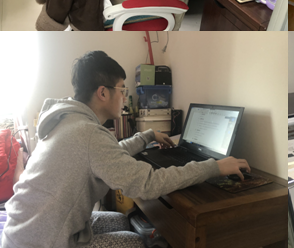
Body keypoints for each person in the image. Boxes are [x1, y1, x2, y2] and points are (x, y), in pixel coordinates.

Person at [2, 51, 250, 248]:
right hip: (42, 242)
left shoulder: (68, 120)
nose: (124, 96)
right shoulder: (88, 133)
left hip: (25, 230)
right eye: (122, 90)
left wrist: (148, 135)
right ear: (103, 92)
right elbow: (148, 184)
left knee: (121, 220)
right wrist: (214, 167)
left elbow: (109, 153)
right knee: (134, 242)